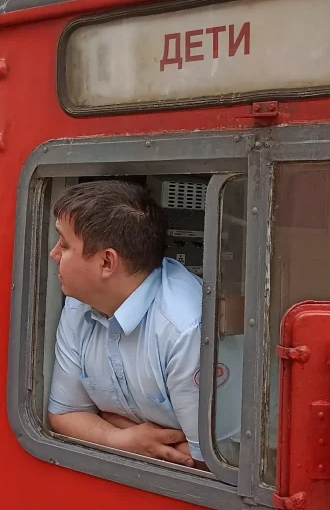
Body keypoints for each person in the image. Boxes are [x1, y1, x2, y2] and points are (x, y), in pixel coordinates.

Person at [47, 180, 240, 469]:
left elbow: (210, 463)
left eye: (64, 244)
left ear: (106, 262)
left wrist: (104, 421)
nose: (54, 254)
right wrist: (120, 439)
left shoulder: (185, 328)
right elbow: (64, 414)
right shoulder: (79, 305)